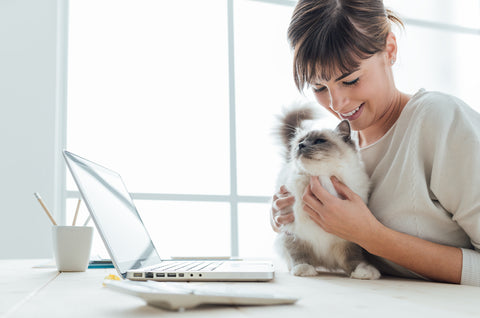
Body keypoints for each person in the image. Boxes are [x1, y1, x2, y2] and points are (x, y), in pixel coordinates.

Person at [270, 0, 480, 286]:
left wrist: (371, 236)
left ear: (390, 50)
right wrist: (292, 219)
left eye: (351, 80)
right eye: (319, 87)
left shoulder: (439, 120)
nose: (336, 103)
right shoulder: (342, 146)